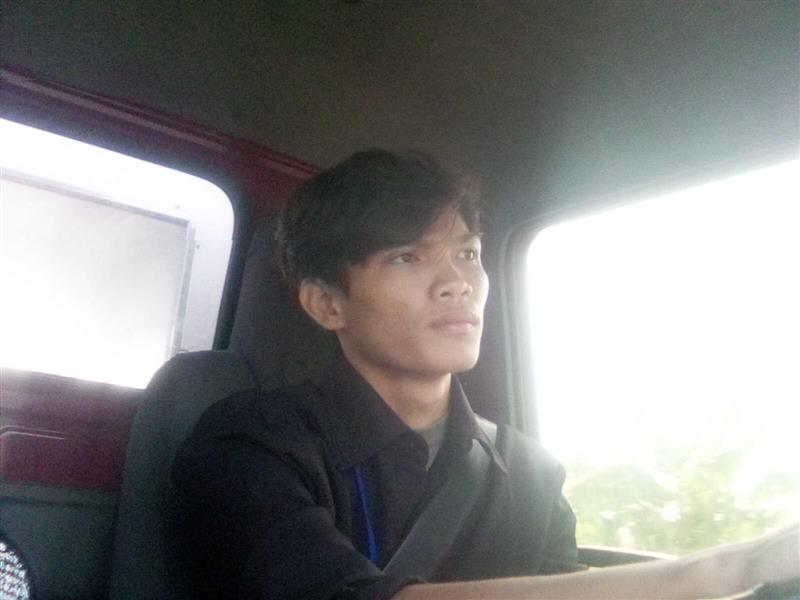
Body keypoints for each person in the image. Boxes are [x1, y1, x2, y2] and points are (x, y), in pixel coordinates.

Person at [173, 150, 799, 600]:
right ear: (327, 303)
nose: (458, 283)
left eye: (467, 253)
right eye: (407, 257)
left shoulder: (530, 471)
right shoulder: (250, 442)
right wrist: (723, 571)